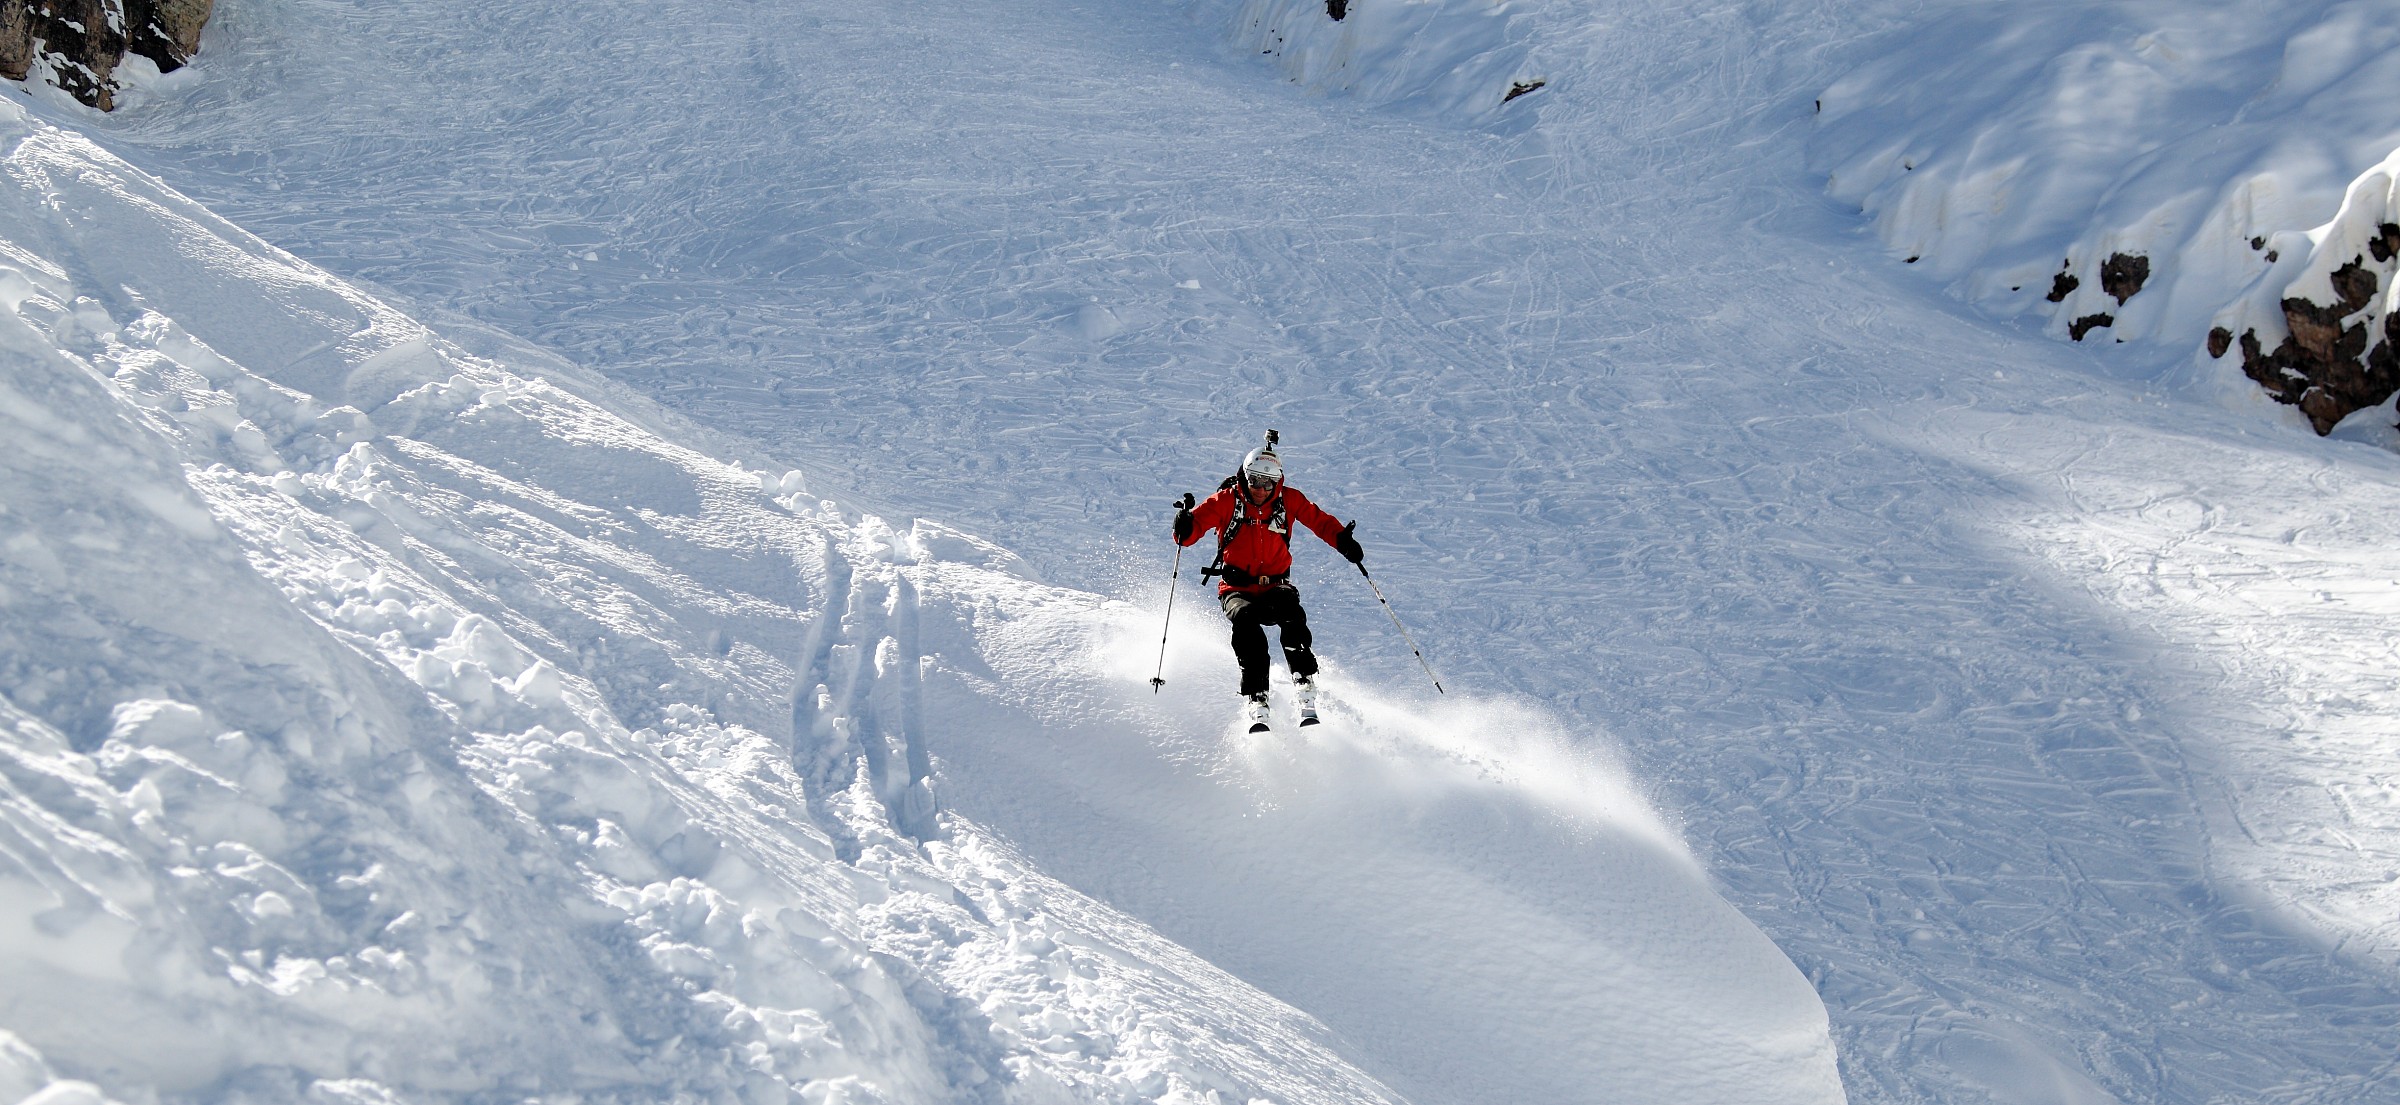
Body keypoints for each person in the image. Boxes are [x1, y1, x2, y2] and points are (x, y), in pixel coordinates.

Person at [1173, 436, 1364, 732]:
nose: (1260, 489)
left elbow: (1319, 521)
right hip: (1238, 588)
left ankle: (1303, 679)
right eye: (1254, 481)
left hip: (1275, 585)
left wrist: (1342, 540)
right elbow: (1191, 531)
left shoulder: (1289, 500)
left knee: (1291, 612)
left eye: (1267, 483)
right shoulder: (1227, 500)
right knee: (1245, 622)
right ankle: (1257, 695)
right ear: (1244, 477)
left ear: (1277, 482)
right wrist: (1184, 525)